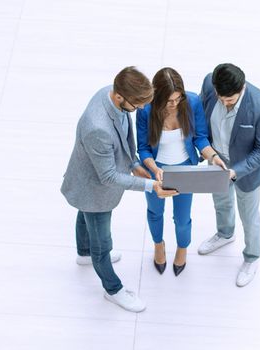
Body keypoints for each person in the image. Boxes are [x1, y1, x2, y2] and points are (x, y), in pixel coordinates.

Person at [60, 67, 177, 313]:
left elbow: (126, 133)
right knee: (102, 245)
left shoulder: (110, 94)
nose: (141, 109)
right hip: (94, 188)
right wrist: (151, 186)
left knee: (84, 215)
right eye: (137, 105)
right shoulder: (98, 127)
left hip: (89, 183)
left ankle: (83, 253)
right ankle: (113, 290)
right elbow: (109, 176)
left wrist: (135, 164)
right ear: (120, 97)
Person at [136, 67, 226, 276]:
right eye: (169, 101)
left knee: (182, 217)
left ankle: (182, 247)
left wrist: (213, 156)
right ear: (157, 96)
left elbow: (200, 138)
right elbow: (143, 148)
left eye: (178, 99)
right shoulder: (145, 110)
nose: (175, 104)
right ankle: (159, 245)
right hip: (156, 170)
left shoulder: (192, 103)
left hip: (185, 170)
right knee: (155, 212)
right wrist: (153, 168)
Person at [198, 63, 260, 287]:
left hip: (246, 170)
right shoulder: (208, 83)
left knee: (249, 216)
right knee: (220, 202)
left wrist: (236, 171)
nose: (224, 103)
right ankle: (224, 234)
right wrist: (209, 154)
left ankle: (251, 257)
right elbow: (202, 119)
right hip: (216, 160)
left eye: (229, 100)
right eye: (221, 98)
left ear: (241, 88)